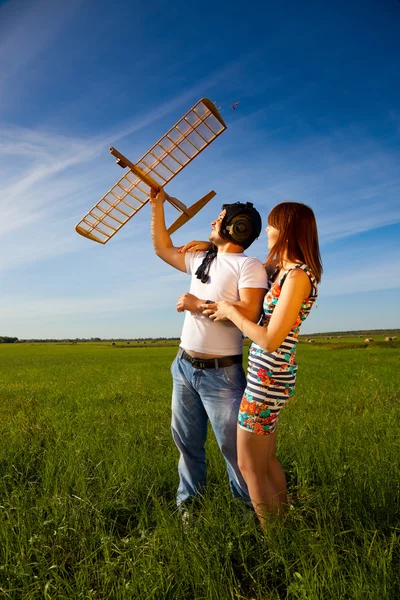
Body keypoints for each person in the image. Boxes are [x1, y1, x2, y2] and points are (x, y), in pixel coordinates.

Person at [198, 201, 323, 526]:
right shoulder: (283, 270)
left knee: (249, 465)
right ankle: (283, 524)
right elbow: (236, 256)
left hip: (269, 380)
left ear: (287, 230)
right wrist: (211, 244)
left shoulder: (297, 277)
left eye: (272, 225)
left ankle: (274, 541)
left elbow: (270, 339)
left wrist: (231, 313)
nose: (267, 231)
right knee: (265, 461)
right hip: (270, 377)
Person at [149, 187, 268, 509]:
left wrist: (198, 304)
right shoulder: (202, 258)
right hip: (184, 367)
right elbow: (162, 248)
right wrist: (156, 205)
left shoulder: (249, 265)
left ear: (237, 227)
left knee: (234, 451)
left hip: (222, 375)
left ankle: (247, 518)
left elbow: (250, 313)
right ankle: (189, 511)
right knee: (187, 446)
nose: (212, 223)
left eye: (219, 219)